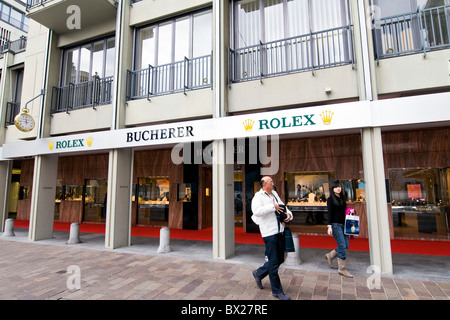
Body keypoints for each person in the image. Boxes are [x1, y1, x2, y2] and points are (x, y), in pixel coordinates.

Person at [251, 176, 293, 300]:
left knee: (280, 259)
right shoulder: (258, 197)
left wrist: (289, 215)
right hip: (269, 233)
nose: (273, 183)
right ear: (264, 185)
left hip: (279, 231)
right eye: (271, 182)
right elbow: (256, 211)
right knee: (274, 262)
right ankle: (277, 291)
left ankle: (259, 273)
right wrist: (272, 207)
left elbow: (283, 206)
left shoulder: (274, 193)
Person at [325, 180, 353, 278]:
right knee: (342, 246)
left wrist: (350, 211)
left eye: (340, 186)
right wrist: (329, 226)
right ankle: (342, 269)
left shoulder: (342, 198)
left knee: (346, 245)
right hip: (335, 225)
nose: (339, 188)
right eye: (336, 187)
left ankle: (330, 255)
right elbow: (330, 213)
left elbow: (344, 211)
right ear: (333, 188)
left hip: (343, 224)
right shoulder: (330, 199)